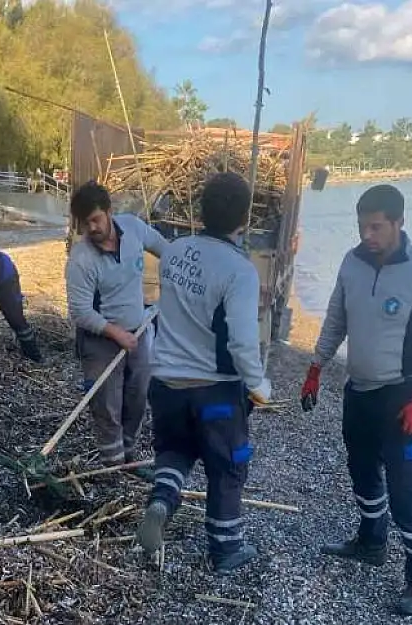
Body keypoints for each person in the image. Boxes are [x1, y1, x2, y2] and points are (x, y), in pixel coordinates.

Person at [300, 184, 412, 615]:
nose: (368, 235)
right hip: (359, 391)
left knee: (408, 492)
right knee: (362, 472)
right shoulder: (351, 262)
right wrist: (315, 368)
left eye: (377, 227)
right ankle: (371, 541)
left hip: (404, 397)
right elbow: (335, 319)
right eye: (362, 226)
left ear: (400, 223)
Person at [133, 172, 273, 575]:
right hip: (214, 391)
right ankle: (226, 547)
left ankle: (161, 501)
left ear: (199, 210)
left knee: (176, 452)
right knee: (228, 465)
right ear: (244, 219)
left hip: (165, 384)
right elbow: (244, 342)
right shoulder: (239, 270)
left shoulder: (175, 253)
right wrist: (259, 385)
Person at [65, 181, 167, 471]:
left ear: (109, 212)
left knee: (137, 395)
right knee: (107, 403)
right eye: (85, 224)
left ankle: (129, 455)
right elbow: (80, 311)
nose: (92, 228)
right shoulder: (81, 259)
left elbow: (163, 248)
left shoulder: (133, 228)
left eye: (95, 219)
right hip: (100, 339)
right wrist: (115, 333)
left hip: (138, 331)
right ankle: (113, 465)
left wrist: (181, 271)